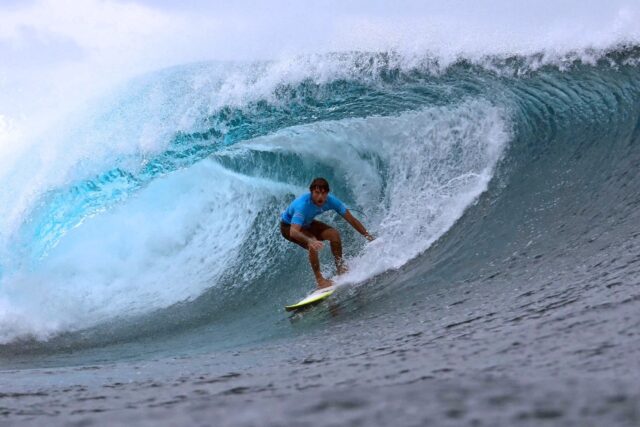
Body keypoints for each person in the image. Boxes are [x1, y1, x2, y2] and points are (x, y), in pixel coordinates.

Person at [280, 177, 374, 289]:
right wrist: (310, 240)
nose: (320, 197)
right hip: (288, 227)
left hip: (307, 223)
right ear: (311, 192)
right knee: (313, 243)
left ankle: (340, 268)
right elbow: (293, 232)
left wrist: (368, 236)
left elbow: (351, 219)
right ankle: (320, 280)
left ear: (327, 193)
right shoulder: (302, 205)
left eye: (323, 193)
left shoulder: (331, 201)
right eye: (317, 193)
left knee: (334, 234)